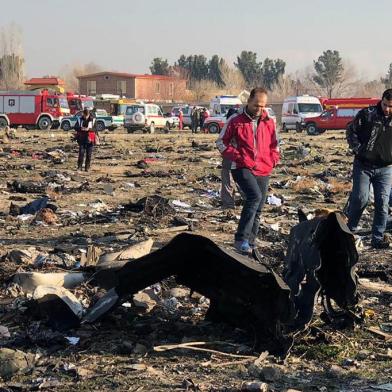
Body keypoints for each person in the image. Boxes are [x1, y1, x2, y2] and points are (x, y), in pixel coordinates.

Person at [216, 87, 279, 253]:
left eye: (263, 106)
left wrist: (273, 159)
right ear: (249, 101)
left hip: (264, 168)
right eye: (256, 105)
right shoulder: (236, 120)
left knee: (258, 208)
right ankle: (241, 239)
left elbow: (275, 144)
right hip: (242, 167)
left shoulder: (270, 121)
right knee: (254, 197)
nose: (259, 109)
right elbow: (221, 142)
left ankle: (251, 243)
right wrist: (238, 156)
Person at [346, 89, 392, 249]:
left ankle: (377, 239)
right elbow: (351, 131)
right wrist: (359, 150)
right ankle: (349, 231)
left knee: (382, 202)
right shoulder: (368, 114)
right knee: (360, 198)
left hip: (385, 168)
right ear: (381, 101)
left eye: (390, 106)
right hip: (363, 165)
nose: (387, 109)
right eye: (385, 105)